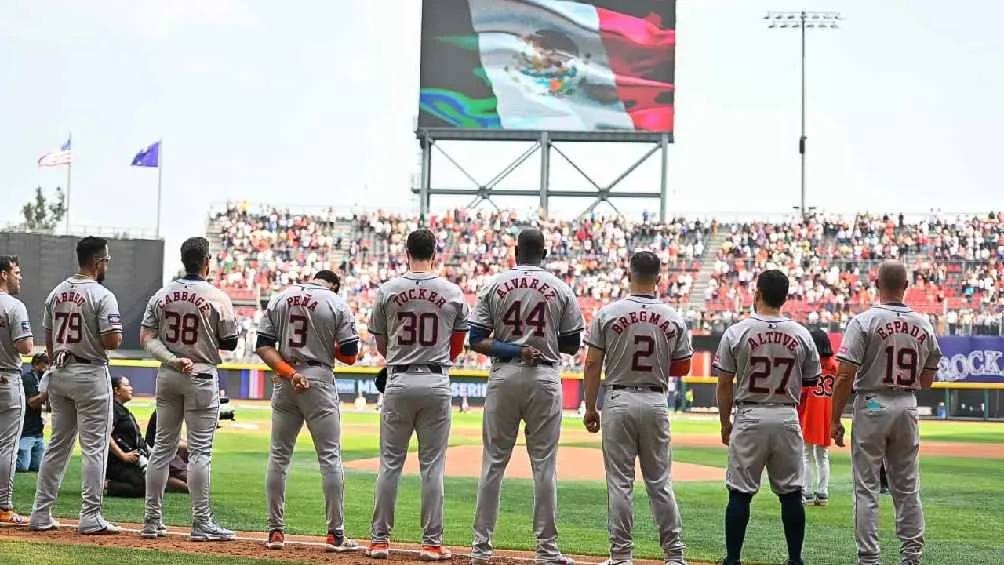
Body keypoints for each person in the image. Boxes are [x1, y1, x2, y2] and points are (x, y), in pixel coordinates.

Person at [468, 228, 584, 565]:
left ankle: (480, 549)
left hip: (504, 375)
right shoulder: (561, 287)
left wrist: (514, 348)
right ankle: (547, 550)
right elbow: (572, 344)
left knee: (492, 464)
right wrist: (538, 343)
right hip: (544, 376)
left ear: (516, 251)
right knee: (544, 467)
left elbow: (477, 339)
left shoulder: (495, 283)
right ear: (544, 253)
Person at [581, 251, 692, 565]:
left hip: (618, 398)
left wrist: (591, 407)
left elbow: (591, 364)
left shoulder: (608, 312)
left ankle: (621, 556)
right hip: (655, 399)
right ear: (659, 278)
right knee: (660, 483)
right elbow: (683, 367)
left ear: (628, 274)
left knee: (620, 483)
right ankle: (674, 555)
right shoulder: (672, 316)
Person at [365, 229, 470, 560]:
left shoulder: (388, 290)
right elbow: (456, 346)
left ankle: (380, 540)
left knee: (390, 464)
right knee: (432, 467)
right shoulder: (452, 291)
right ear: (435, 253)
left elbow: (381, 344)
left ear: (406, 251)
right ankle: (431, 542)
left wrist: (401, 356)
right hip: (436, 380)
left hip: (399, 378)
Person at [831, 260, 942, 565]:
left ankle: (869, 559)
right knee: (907, 488)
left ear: (876, 284)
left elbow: (843, 375)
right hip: (907, 403)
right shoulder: (924, 323)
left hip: (873, 402)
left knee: (866, 488)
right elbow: (927, 379)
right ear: (906, 287)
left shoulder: (864, 321)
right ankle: (911, 558)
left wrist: (833, 418)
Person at [714, 270, 821, 565]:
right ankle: (795, 559)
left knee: (739, 492)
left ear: (757, 294)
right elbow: (811, 384)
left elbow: (724, 383)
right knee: (791, 493)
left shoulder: (737, 332)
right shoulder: (801, 334)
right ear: (785, 297)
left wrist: (726, 423)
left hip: (749, 414)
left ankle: (733, 559)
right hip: (786, 413)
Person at [255, 270, 362, 552]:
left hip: (285, 378)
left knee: (278, 457)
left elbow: (262, 346)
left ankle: (275, 532)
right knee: (329, 458)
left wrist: (290, 373)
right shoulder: (336, 303)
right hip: (319, 379)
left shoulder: (281, 297)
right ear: (334, 286)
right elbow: (350, 355)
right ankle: (334, 535)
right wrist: (326, 343)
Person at [140, 236, 238, 541]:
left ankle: (151, 521)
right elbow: (231, 341)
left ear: (184, 260)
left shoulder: (162, 294)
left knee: (161, 450)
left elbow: (146, 336)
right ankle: (201, 522)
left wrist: (171, 357)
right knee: (200, 453)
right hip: (202, 374)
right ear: (206, 261)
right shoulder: (216, 296)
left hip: (169, 373)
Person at [30, 237, 123, 535]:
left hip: (60, 372)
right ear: (98, 261)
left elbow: (47, 338)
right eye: (106, 260)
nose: (107, 265)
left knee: (57, 446)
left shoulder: (56, 292)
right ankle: (90, 515)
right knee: (95, 447)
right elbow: (112, 340)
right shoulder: (102, 294)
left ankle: (40, 513)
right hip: (90, 372)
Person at [0, 255, 33, 525]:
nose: (19, 277)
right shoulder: (14, 306)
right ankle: (3, 507)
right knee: (7, 447)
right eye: (16, 272)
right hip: (6, 379)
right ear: (3, 274)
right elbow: (26, 347)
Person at [799, 328, 836, 506]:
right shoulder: (834, 366)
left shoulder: (810, 364)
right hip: (827, 414)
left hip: (810, 413)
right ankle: (823, 493)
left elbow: (802, 393)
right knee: (823, 456)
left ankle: (806, 492)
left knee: (806, 455)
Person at [106, 376, 149, 498]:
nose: (131, 388)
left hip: (131, 460)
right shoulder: (112, 409)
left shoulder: (122, 409)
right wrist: (123, 455)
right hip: (117, 462)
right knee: (142, 487)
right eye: (127, 385)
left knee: (154, 484)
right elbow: (106, 435)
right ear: (116, 390)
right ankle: (106, 486)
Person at [144, 411, 189, 494]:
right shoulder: (163, 414)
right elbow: (168, 442)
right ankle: (162, 479)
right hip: (159, 454)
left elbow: (176, 438)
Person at [18, 353, 49, 473]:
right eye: (43, 366)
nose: (45, 369)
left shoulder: (44, 379)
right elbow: (31, 403)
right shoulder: (27, 378)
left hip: (38, 432)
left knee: (38, 467)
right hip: (26, 431)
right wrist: (46, 394)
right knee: (22, 467)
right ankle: (7, 456)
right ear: (34, 365)